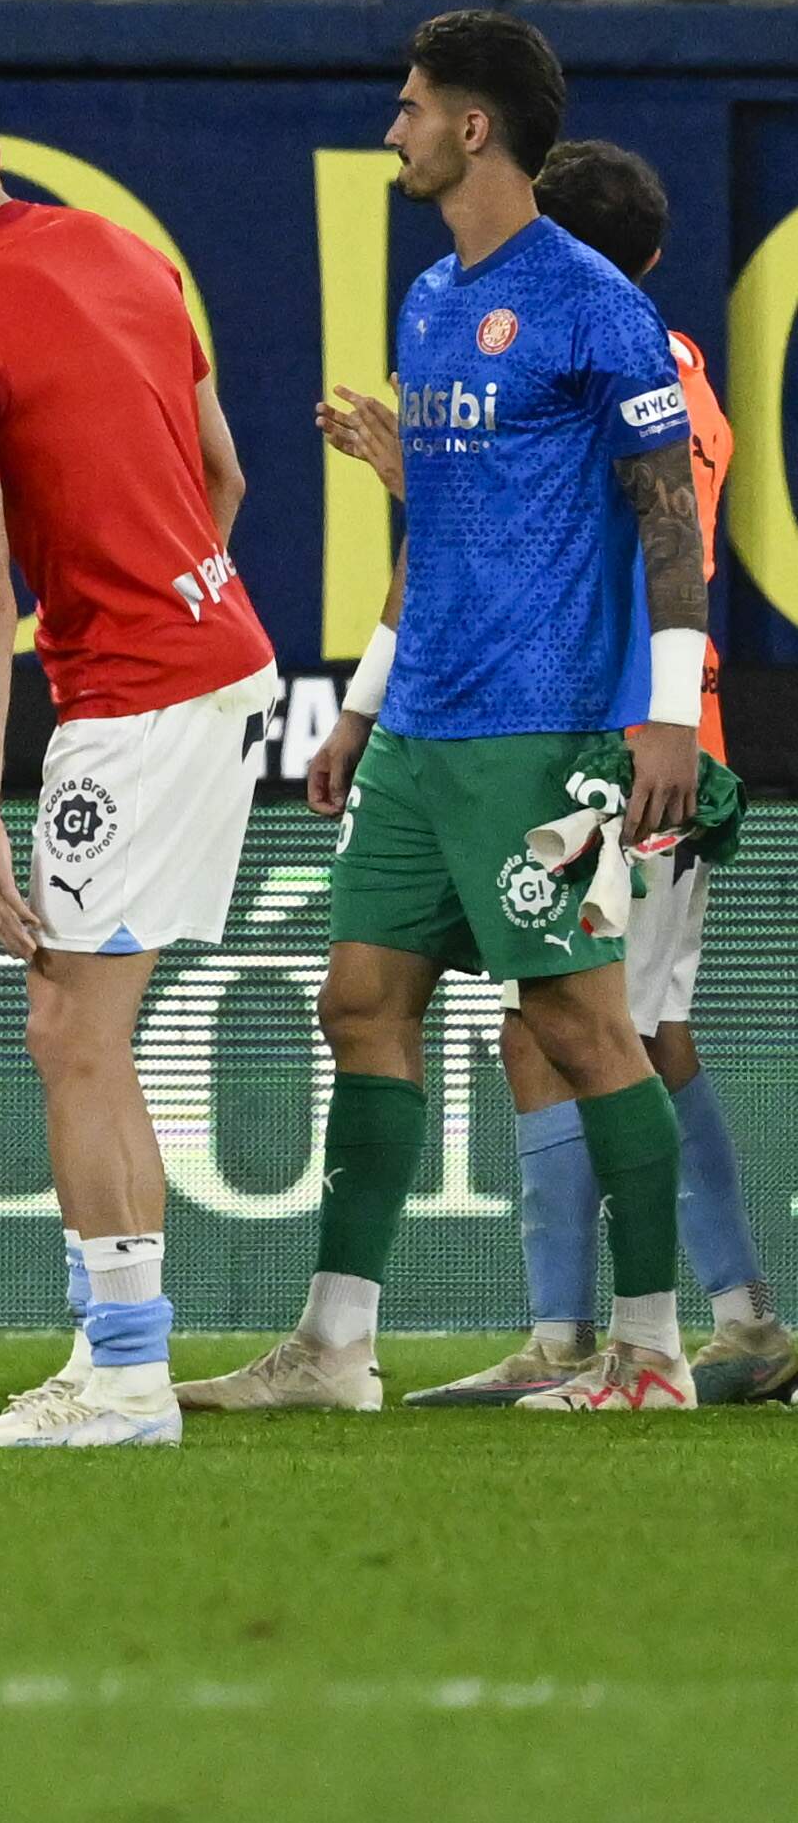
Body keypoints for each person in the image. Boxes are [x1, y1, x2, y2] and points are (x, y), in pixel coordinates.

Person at [186, 10, 710, 1417]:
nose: (392, 125)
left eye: (410, 105)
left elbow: (666, 516)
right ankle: (332, 1347)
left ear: (472, 127)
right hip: (420, 728)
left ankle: (648, 1351)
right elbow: (438, 528)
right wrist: (359, 705)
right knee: (356, 999)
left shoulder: (591, 300)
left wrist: (662, 712)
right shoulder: (426, 299)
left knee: (578, 1021)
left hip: (541, 726)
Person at [322, 138, 790, 1409]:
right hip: (619, 730)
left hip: (614, 738)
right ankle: (625, 1327)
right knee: (587, 1026)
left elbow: (622, 530)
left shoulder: (610, 351)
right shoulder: (668, 366)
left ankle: (662, 1333)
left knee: (597, 1029)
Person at [0, 53, 278, 1449]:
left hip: (136, 693)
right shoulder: (121, 249)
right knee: (89, 1035)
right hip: (220, 660)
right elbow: (221, 473)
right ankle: (114, 1354)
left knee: (68, 1029)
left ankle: (123, 1379)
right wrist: (174, 594)